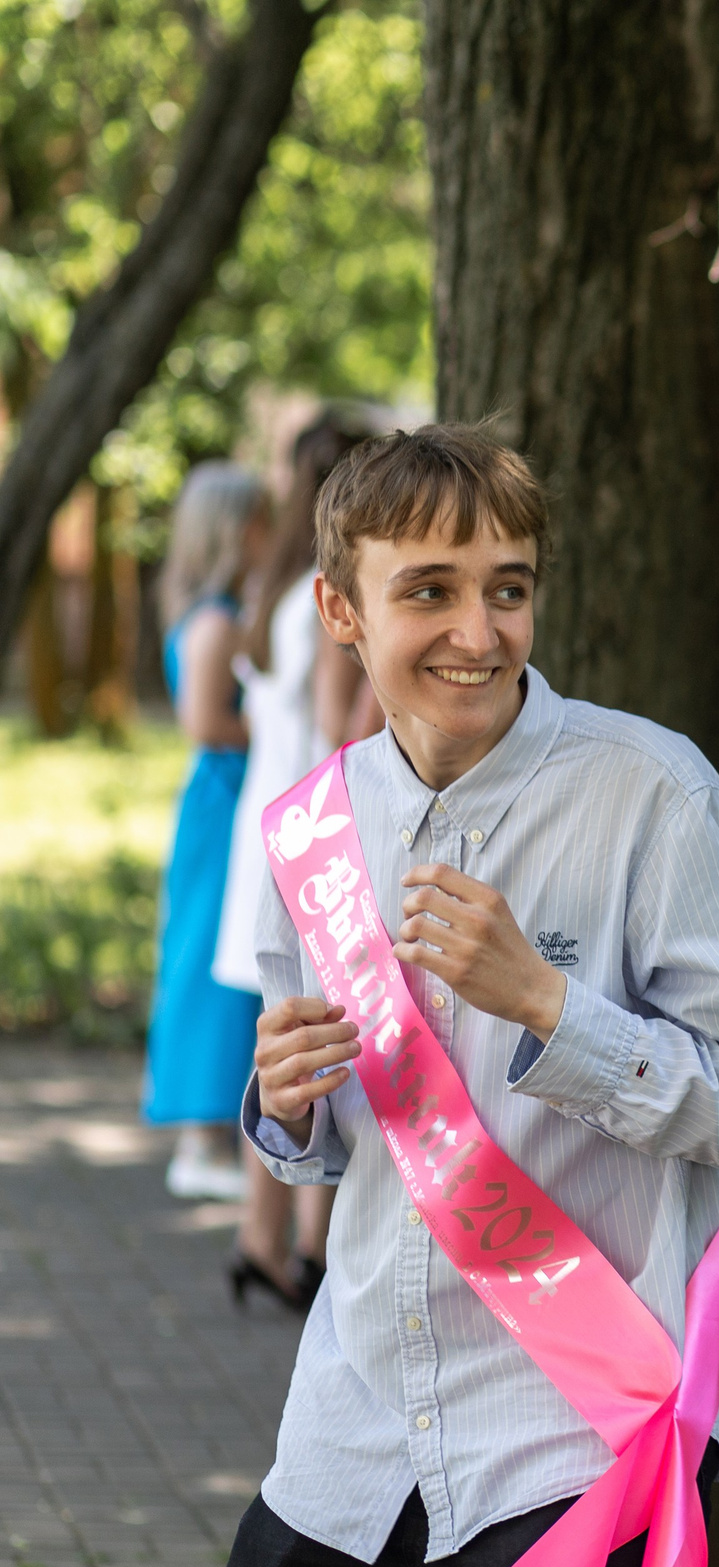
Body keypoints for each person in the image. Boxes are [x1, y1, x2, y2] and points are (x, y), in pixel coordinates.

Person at [184, 423, 719, 1567]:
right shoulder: (313, 825)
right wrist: (285, 1105)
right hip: (354, 1420)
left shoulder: (653, 797)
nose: (480, 629)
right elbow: (334, 1140)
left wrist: (550, 1007)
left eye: (506, 587)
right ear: (340, 609)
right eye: (430, 591)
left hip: (564, 1441)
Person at [211, 411, 369, 1309]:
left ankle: (257, 1236)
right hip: (317, 834)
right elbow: (341, 725)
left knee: (275, 1039)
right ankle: (312, 1244)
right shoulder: (334, 596)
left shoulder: (271, 589)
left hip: (260, 830)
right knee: (321, 1036)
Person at [145, 464, 269, 1205]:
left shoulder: (212, 611)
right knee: (208, 958)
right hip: (224, 798)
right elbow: (205, 722)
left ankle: (211, 1130)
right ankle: (199, 1136)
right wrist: (282, 725)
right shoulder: (216, 620)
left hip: (222, 797)